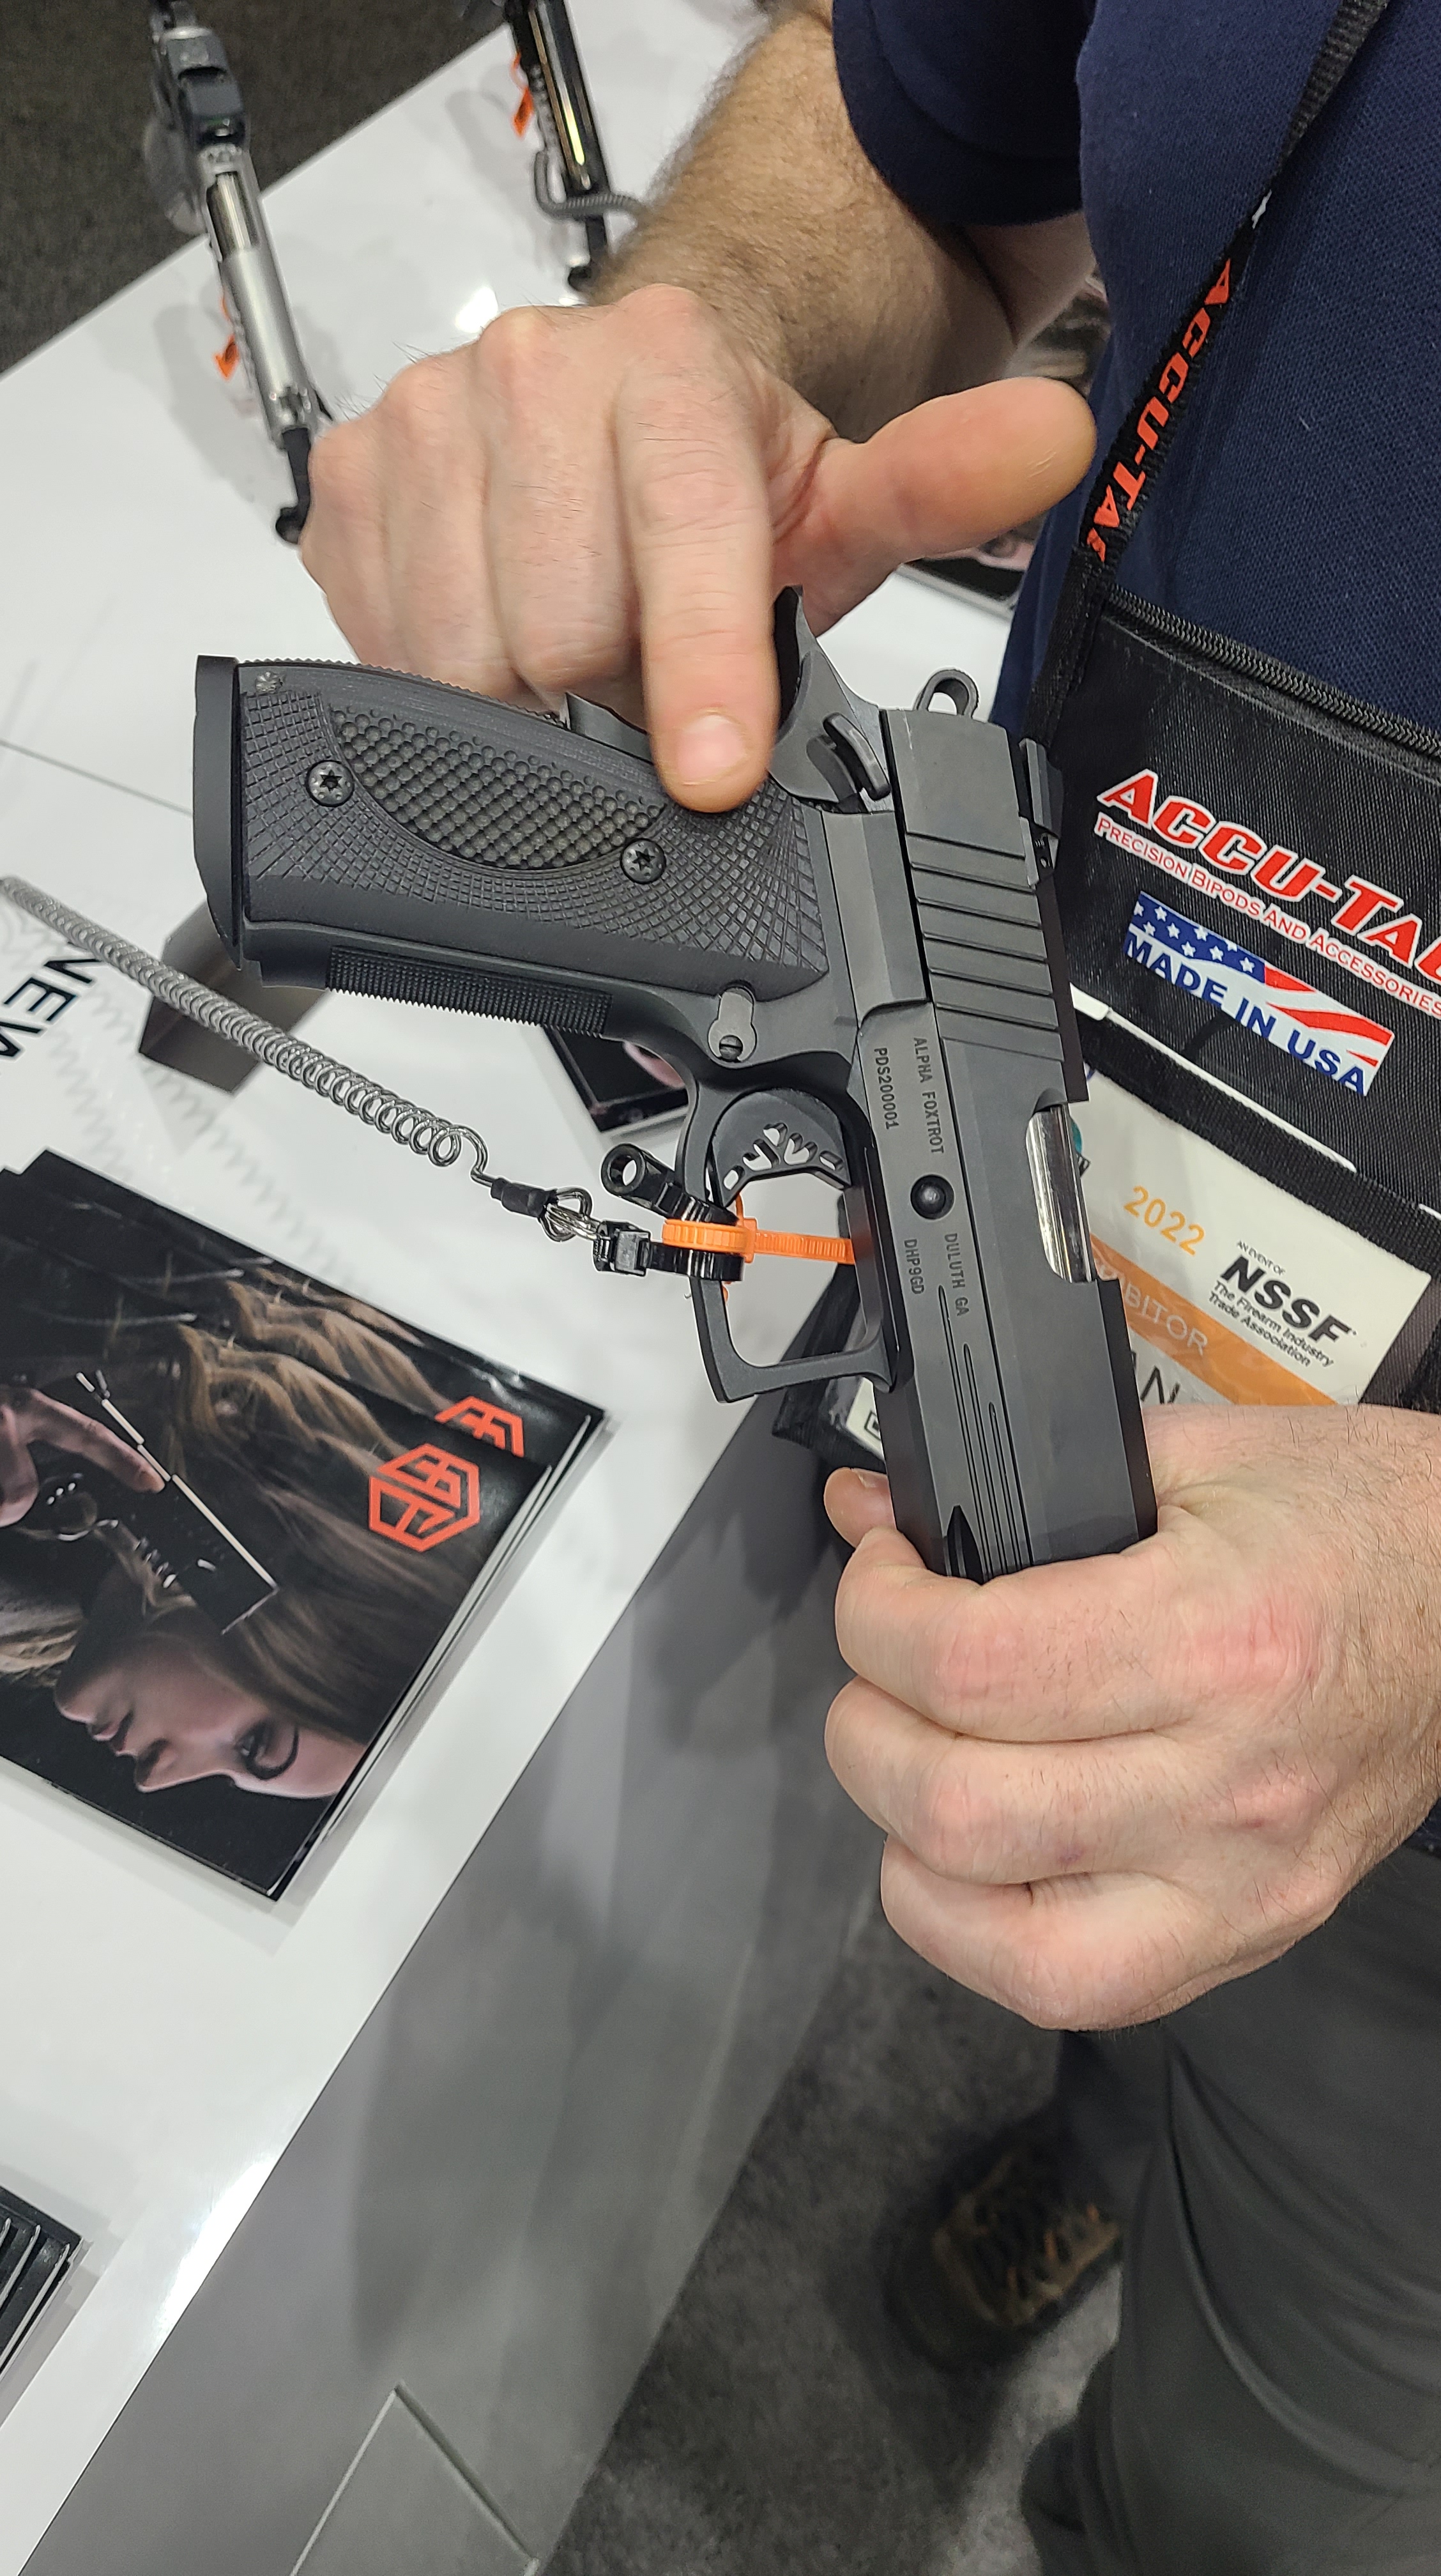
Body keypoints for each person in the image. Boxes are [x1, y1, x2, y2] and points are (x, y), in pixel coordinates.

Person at [296, 3, 1441, 2565]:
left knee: (1307, 2444)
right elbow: (928, 105)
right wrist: (686, 346)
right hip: (1048, 1063)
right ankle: (1108, 2131)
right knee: (1098, 1900)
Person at [0, 1293, 480, 1807]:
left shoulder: (39, 1581)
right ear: (294, 1624)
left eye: (227, 1774)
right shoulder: (87, 1322)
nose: (153, 1779)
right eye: (253, 1745)